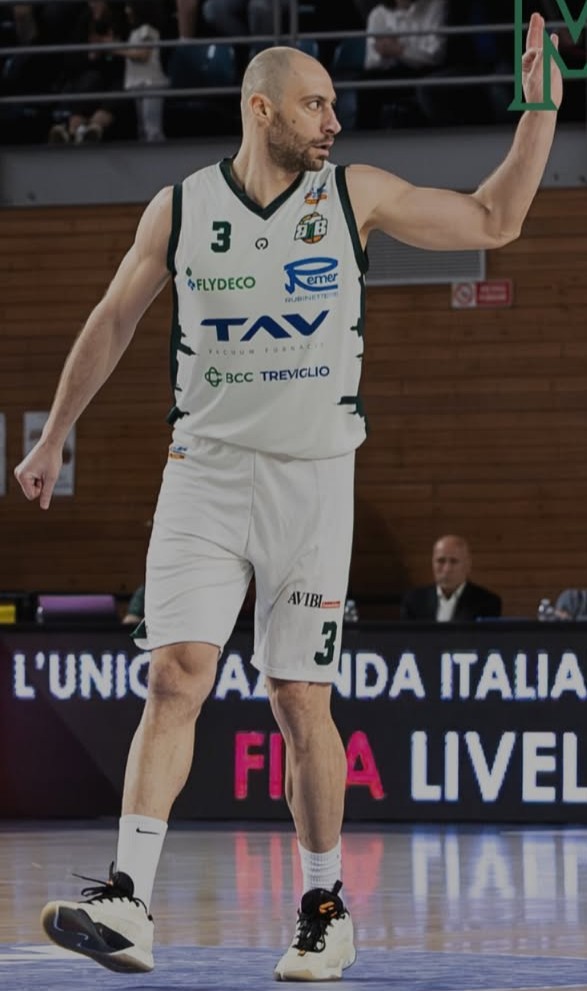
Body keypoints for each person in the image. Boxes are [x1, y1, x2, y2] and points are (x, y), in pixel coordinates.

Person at [14, 15, 561, 980]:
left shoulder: (352, 196)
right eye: (315, 104)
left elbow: (493, 220)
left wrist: (541, 110)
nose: (332, 120)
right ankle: (129, 900)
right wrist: (56, 433)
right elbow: (112, 318)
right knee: (174, 675)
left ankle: (323, 907)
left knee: (298, 698)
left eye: (334, 105)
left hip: (310, 479)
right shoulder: (180, 209)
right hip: (203, 472)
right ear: (259, 108)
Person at [400, 534, 502, 621]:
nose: (447, 569)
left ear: (467, 565)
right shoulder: (414, 600)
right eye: (441, 561)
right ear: (432, 563)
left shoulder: (487, 602)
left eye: (454, 561)